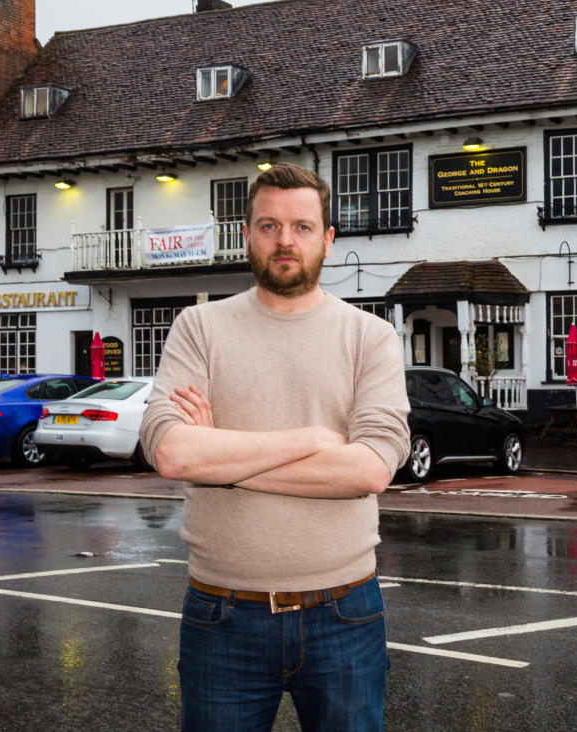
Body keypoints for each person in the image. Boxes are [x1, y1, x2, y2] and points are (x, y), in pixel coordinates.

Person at [139, 163, 410, 731]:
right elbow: (172, 455)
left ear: (328, 240)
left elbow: (370, 469)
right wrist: (312, 440)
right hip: (221, 614)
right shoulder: (199, 327)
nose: (285, 240)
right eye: (269, 225)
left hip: (345, 614)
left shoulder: (370, 336)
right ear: (246, 235)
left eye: (302, 227)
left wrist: (222, 461)